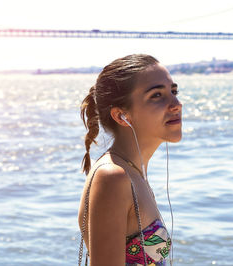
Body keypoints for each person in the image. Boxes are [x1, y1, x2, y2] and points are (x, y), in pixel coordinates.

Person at [77, 54, 182, 265]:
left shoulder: (132, 172)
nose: (176, 104)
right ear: (121, 116)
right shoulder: (113, 177)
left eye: (173, 91)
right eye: (157, 95)